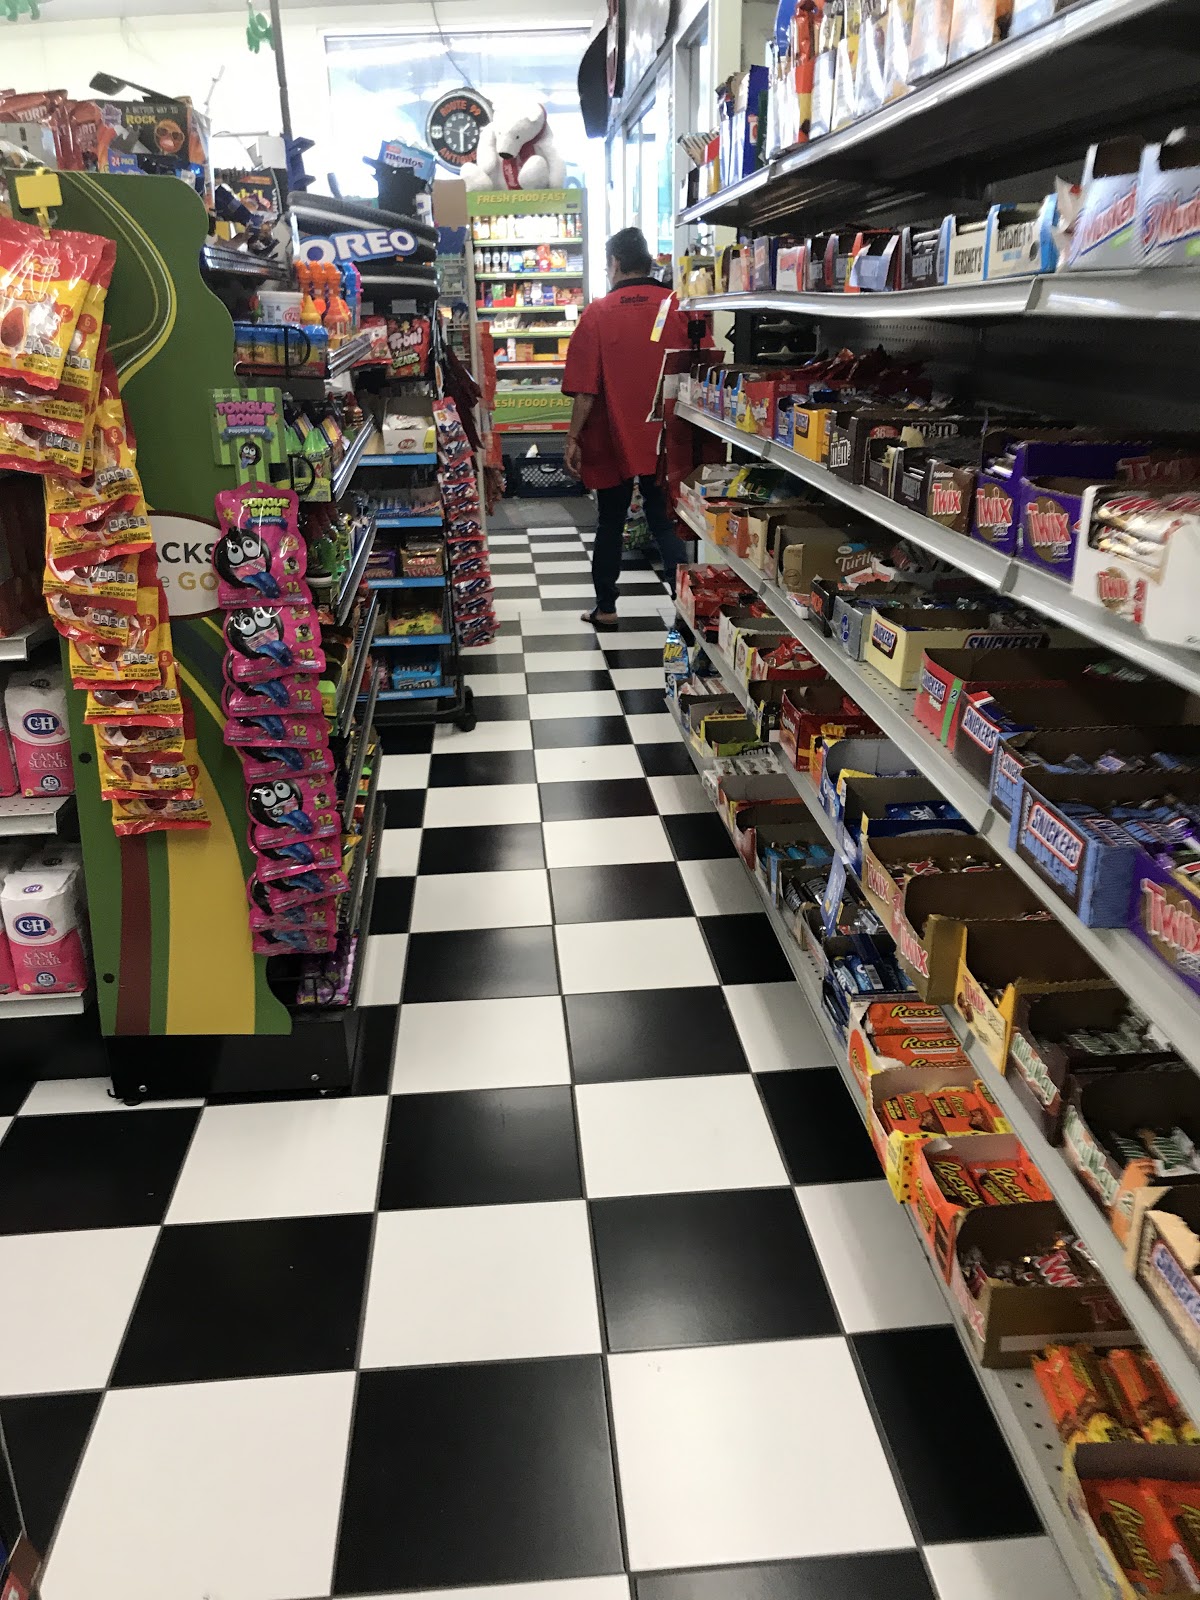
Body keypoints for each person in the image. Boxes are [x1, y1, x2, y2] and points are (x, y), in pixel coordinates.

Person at [562, 226, 692, 630]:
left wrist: (572, 437)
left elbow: (585, 392)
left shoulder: (597, 314)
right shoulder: (679, 306)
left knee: (610, 521)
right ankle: (689, 610)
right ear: (647, 261)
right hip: (666, 435)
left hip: (611, 435)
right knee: (664, 520)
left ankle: (606, 607)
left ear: (615, 263)